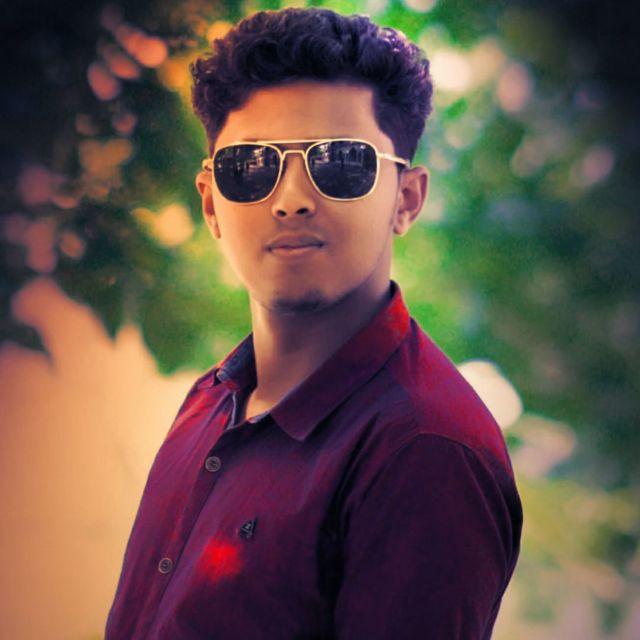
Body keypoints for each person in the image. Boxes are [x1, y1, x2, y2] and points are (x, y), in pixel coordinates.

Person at [105, 7, 522, 639]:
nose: (292, 198)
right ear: (211, 203)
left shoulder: (425, 448)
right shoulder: (211, 400)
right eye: (251, 166)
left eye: (341, 164)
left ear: (407, 199)